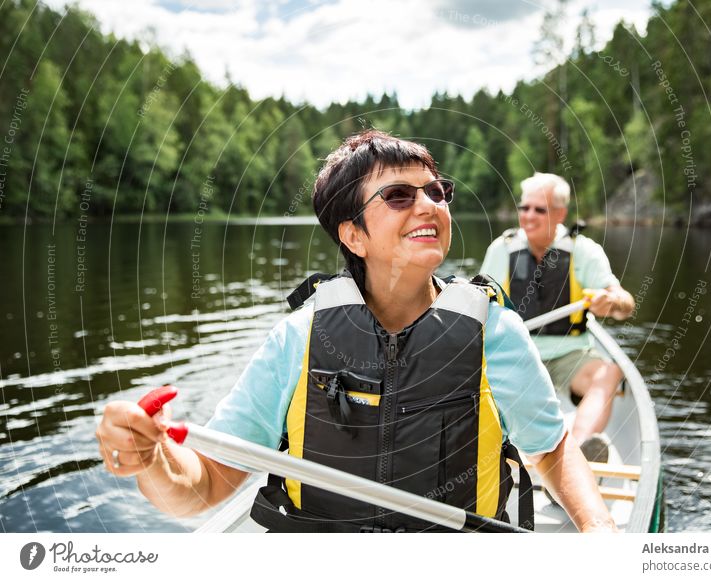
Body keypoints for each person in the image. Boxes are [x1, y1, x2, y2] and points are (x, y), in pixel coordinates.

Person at [96, 131, 616, 532]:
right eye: (397, 195)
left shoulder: (495, 333)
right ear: (353, 234)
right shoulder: (297, 340)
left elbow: (549, 450)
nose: (429, 204)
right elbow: (203, 484)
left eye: (436, 191)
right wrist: (153, 460)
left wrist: (598, 528)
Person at [481, 173, 635, 465]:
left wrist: (611, 300)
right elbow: (480, 304)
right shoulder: (501, 249)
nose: (528, 216)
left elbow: (625, 304)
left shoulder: (584, 250)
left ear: (561, 213)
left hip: (569, 356)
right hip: (514, 355)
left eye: (540, 209)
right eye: (524, 208)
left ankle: (574, 454)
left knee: (610, 373)